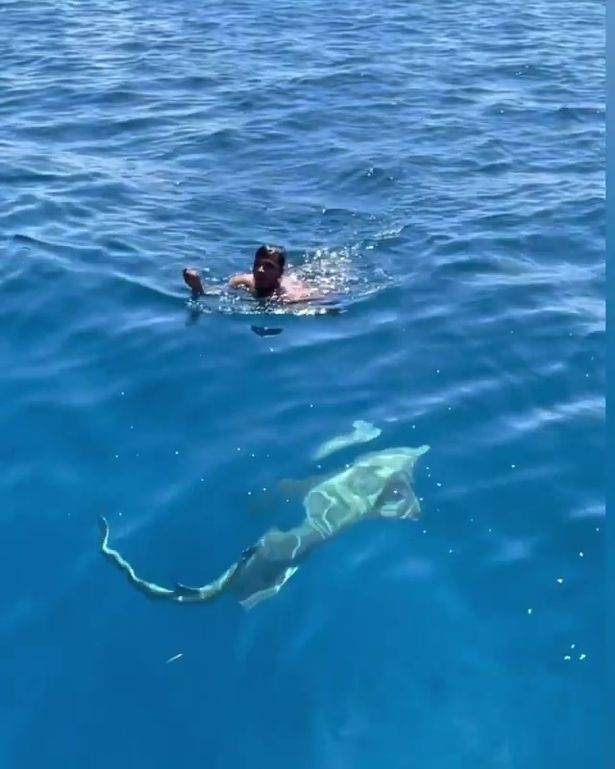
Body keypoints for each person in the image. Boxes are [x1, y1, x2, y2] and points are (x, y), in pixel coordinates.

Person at [183, 244, 317, 303]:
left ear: (280, 273)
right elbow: (216, 293)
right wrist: (197, 286)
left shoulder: (292, 294)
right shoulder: (242, 281)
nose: (260, 270)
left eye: (268, 266)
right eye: (258, 264)